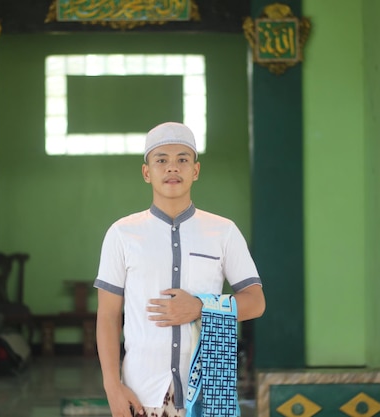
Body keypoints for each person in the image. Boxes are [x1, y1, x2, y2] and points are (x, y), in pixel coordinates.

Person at [94, 121, 266, 417]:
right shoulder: (121, 234)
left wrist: (200, 308)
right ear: (147, 172)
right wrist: (113, 387)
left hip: (207, 396)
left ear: (195, 170)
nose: (172, 168)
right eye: (161, 160)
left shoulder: (224, 232)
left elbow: (256, 302)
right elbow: (108, 316)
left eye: (182, 160)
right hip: (142, 391)